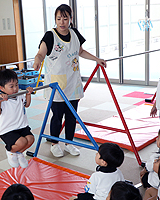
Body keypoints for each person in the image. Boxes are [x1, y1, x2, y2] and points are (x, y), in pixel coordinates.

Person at [33, 4, 106, 158]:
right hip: (57, 85)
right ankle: (54, 144)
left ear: (70, 19)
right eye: (58, 18)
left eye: (65, 18)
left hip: (73, 83)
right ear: (55, 20)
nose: (62, 22)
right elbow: (41, 53)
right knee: (57, 116)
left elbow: (80, 51)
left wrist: (96, 59)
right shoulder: (50, 35)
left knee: (72, 116)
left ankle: (69, 143)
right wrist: (37, 60)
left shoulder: (74, 34)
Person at [0, 69, 34, 168]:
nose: (15, 88)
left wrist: (28, 94)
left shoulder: (19, 95)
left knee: (30, 139)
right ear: (2, 88)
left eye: (16, 85)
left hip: (21, 126)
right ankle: (10, 151)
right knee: (22, 142)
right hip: (7, 129)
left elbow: (27, 104)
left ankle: (19, 154)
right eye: (11, 86)